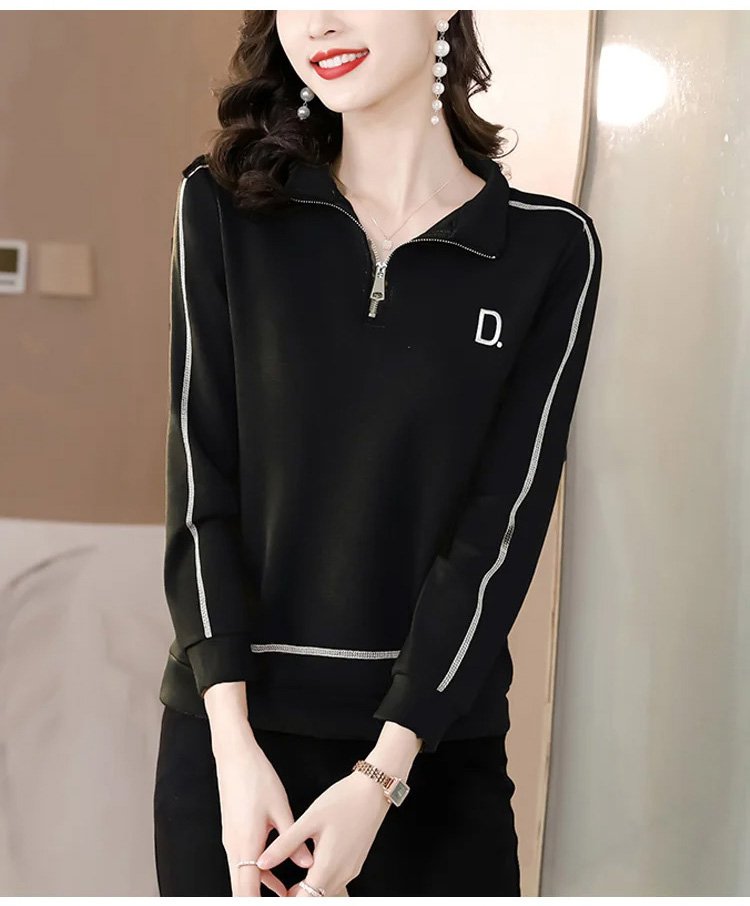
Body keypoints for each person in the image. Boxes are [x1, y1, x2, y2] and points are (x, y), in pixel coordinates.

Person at [152, 9, 602, 898]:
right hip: (236, 756)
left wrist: (381, 775)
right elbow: (201, 484)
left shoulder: (548, 248)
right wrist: (230, 748)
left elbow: (500, 530)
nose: (318, 22)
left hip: (432, 759)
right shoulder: (224, 206)